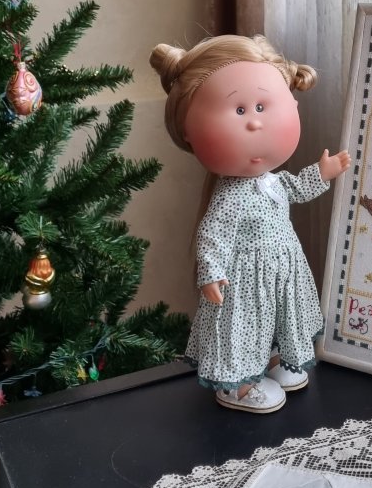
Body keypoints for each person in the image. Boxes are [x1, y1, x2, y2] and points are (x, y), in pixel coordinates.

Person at [150, 35, 350, 413]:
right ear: (188, 130)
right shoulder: (229, 196)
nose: (255, 122)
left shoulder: (272, 181)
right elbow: (213, 234)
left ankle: (272, 360)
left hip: (281, 270)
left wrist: (322, 173)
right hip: (244, 281)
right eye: (240, 110)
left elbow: (295, 188)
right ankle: (238, 385)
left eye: (261, 106)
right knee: (245, 328)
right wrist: (211, 273)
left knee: (275, 318)